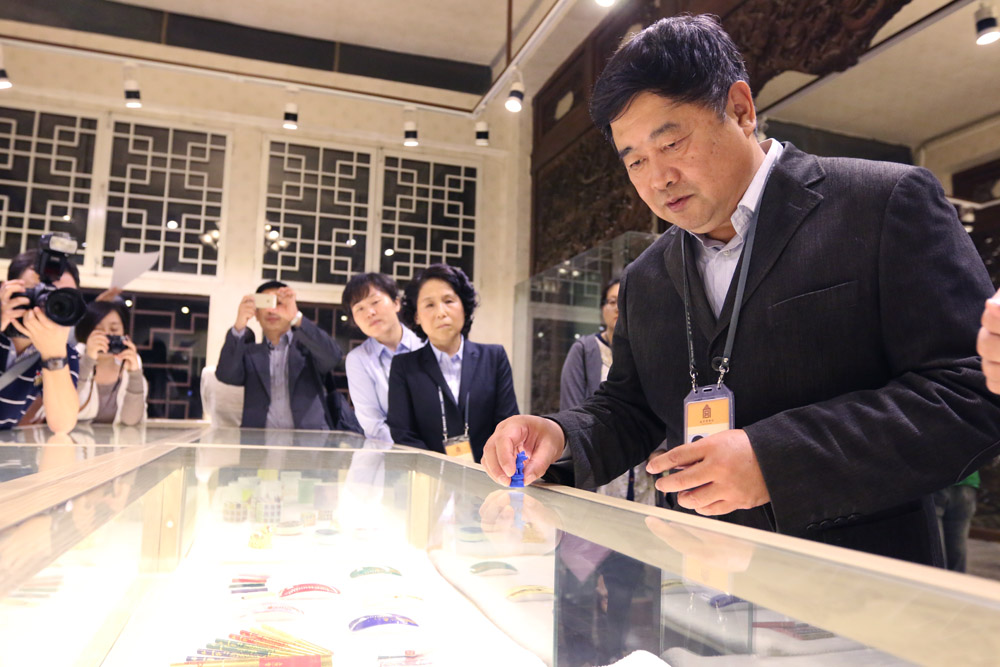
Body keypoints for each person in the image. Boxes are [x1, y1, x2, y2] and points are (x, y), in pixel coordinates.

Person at [481, 15, 1000, 565]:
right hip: (695, 578)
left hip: (854, 580)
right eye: (635, 161)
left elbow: (969, 391)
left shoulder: (881, 205)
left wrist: (776, 462)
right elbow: (630, 409)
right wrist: (559, 435)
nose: (657, 178)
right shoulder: (646, 277)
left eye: (671, 142)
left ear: (740, 109)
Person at [387, 264, 518, 462]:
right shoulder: (404, 366)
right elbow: (403, 434)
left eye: (449, 301)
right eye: (429, 305)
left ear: (464, 306)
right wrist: (440, 472)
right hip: (428, 476)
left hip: (488, 472)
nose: (441, 312)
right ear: (417, 316)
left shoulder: (494, 357)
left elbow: (507, 423)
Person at [560, 278, 656, 504]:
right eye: (612, 301)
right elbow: (572, 409)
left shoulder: (651, 351)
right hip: (600, 462)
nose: (618, 308)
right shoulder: (584, 350)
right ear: (603, 308)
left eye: (625, 302)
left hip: (644, 466)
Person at [216, 280, 342, 430]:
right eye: (266, 303)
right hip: (257, 440)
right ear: (256, 313)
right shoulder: (250, 352)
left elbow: (333, 357)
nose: (271, 310)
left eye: (278, 303)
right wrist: (239, 326)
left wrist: (296, 317)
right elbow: (226, 375)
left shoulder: (309, 349)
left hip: (310, 440)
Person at [0, 250, 80, 432]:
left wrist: (54, 355)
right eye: (38, 292)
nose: (47, 305)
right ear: (7, 289)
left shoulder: (64, 352)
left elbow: (62, 425)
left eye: (60, 299)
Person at [343, 272, 424, 442]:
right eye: (359, 308)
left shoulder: (426, 345)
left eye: (375, 302)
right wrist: (413, 450)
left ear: (396, 303)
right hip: (391, 453)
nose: (370, 312)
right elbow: (373, 425)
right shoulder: (358, 359)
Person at [74, 299, 148, 426]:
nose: (106, 335)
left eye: (114, 329)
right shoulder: (70, 363)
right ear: (85, 332)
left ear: (124, 334)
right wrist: (88, 360)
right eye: (98, 330)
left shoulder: (128, 372)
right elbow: (62, 406)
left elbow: (131, 421)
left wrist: (135, 374)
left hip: (117, 438)